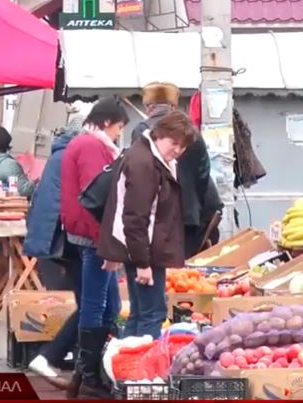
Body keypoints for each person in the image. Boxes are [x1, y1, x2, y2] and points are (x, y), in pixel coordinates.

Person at [100, 110, 196, 340]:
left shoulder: (146, 156)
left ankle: (126, 366)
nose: (177, 151)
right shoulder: (145, 164)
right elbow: (135, 217)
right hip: (144, 250)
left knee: (141, 312)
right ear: (159, 135)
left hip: (141, 247)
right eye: (174, 143)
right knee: (152, 313)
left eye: (182, 147)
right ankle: (140, 372)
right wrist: (143, 263)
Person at [60, 97, 127, 399]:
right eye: (118, 127)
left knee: (108, 306)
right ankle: (88, 377)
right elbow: (97, 195)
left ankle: (84, 375)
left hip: (89, 233)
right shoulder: (90, 147)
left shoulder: (86, 143)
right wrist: (109, 240)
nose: (119, 134)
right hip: (93, 235)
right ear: (105, 123)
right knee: (96, 304)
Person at [24, 115, 86, 389]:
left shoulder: (58, 155)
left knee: (92, 303)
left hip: (54, 240)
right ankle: (53, 355)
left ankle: (66, 357)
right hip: (65, 242)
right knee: (94, 304)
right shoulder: (71, 158)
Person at [130, 82, 213, 258]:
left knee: (158, 273)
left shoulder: (142, 131)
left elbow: (136, 174)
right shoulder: (193, 132)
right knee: (183, 276)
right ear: (173, 106)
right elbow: (203, 174)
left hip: (156, 216)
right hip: (188, 215)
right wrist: (192, 202)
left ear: (148, 107)